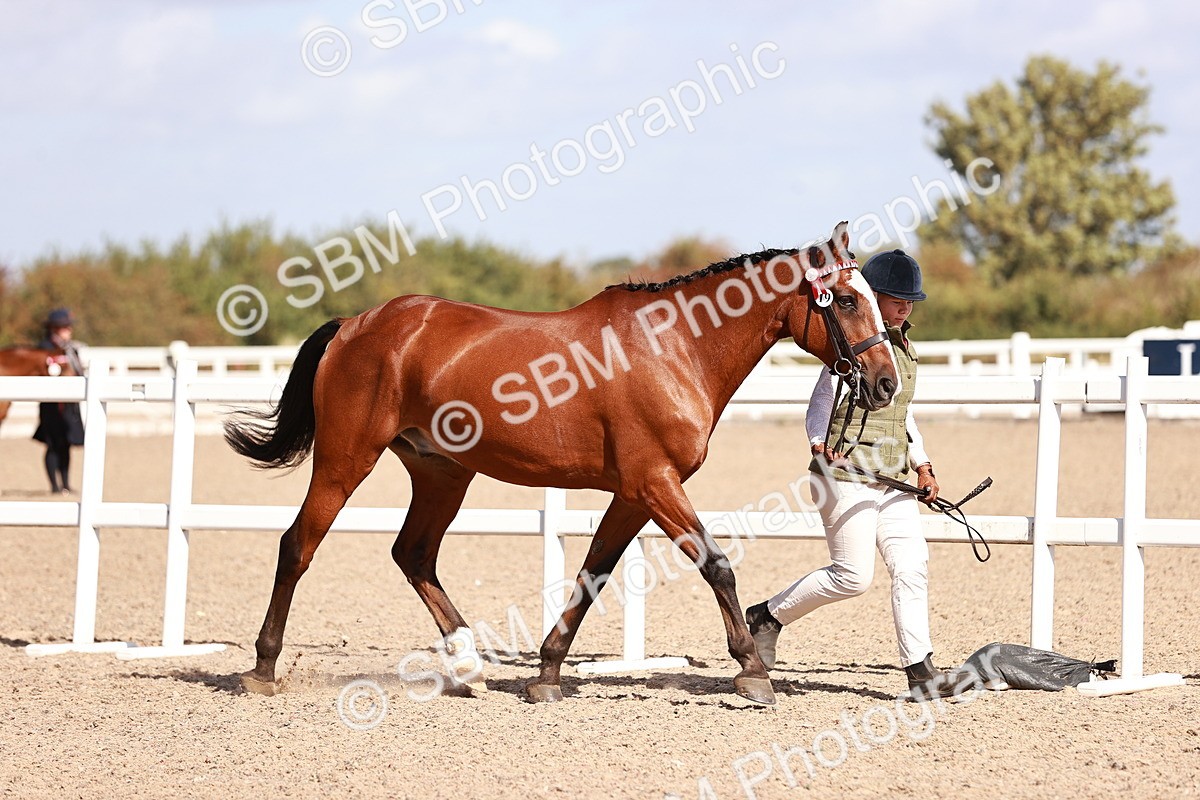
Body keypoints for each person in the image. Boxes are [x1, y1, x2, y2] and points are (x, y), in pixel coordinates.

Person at [744, 249, 962, 700]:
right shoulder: (851, 349)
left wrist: (923, 466)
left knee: (911, 566)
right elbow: (820, 404)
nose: (906, 307)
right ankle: (767, 616)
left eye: (911, 301)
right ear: (871, 299)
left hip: (891, 478)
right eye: (896, 299)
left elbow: (903, 416)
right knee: (853, 576)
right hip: (843, 476)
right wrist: (819, 446)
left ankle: (921, 673)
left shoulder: (902, 352)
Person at [34, 308, 85, 494]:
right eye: (65, 326)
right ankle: (54, 486)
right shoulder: (45, 347)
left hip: (69, 404)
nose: (69, 329)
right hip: (52, 405)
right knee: (52, 443)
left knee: (66, 443)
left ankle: (65, 483)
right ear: (55, 328)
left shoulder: (70, 348)